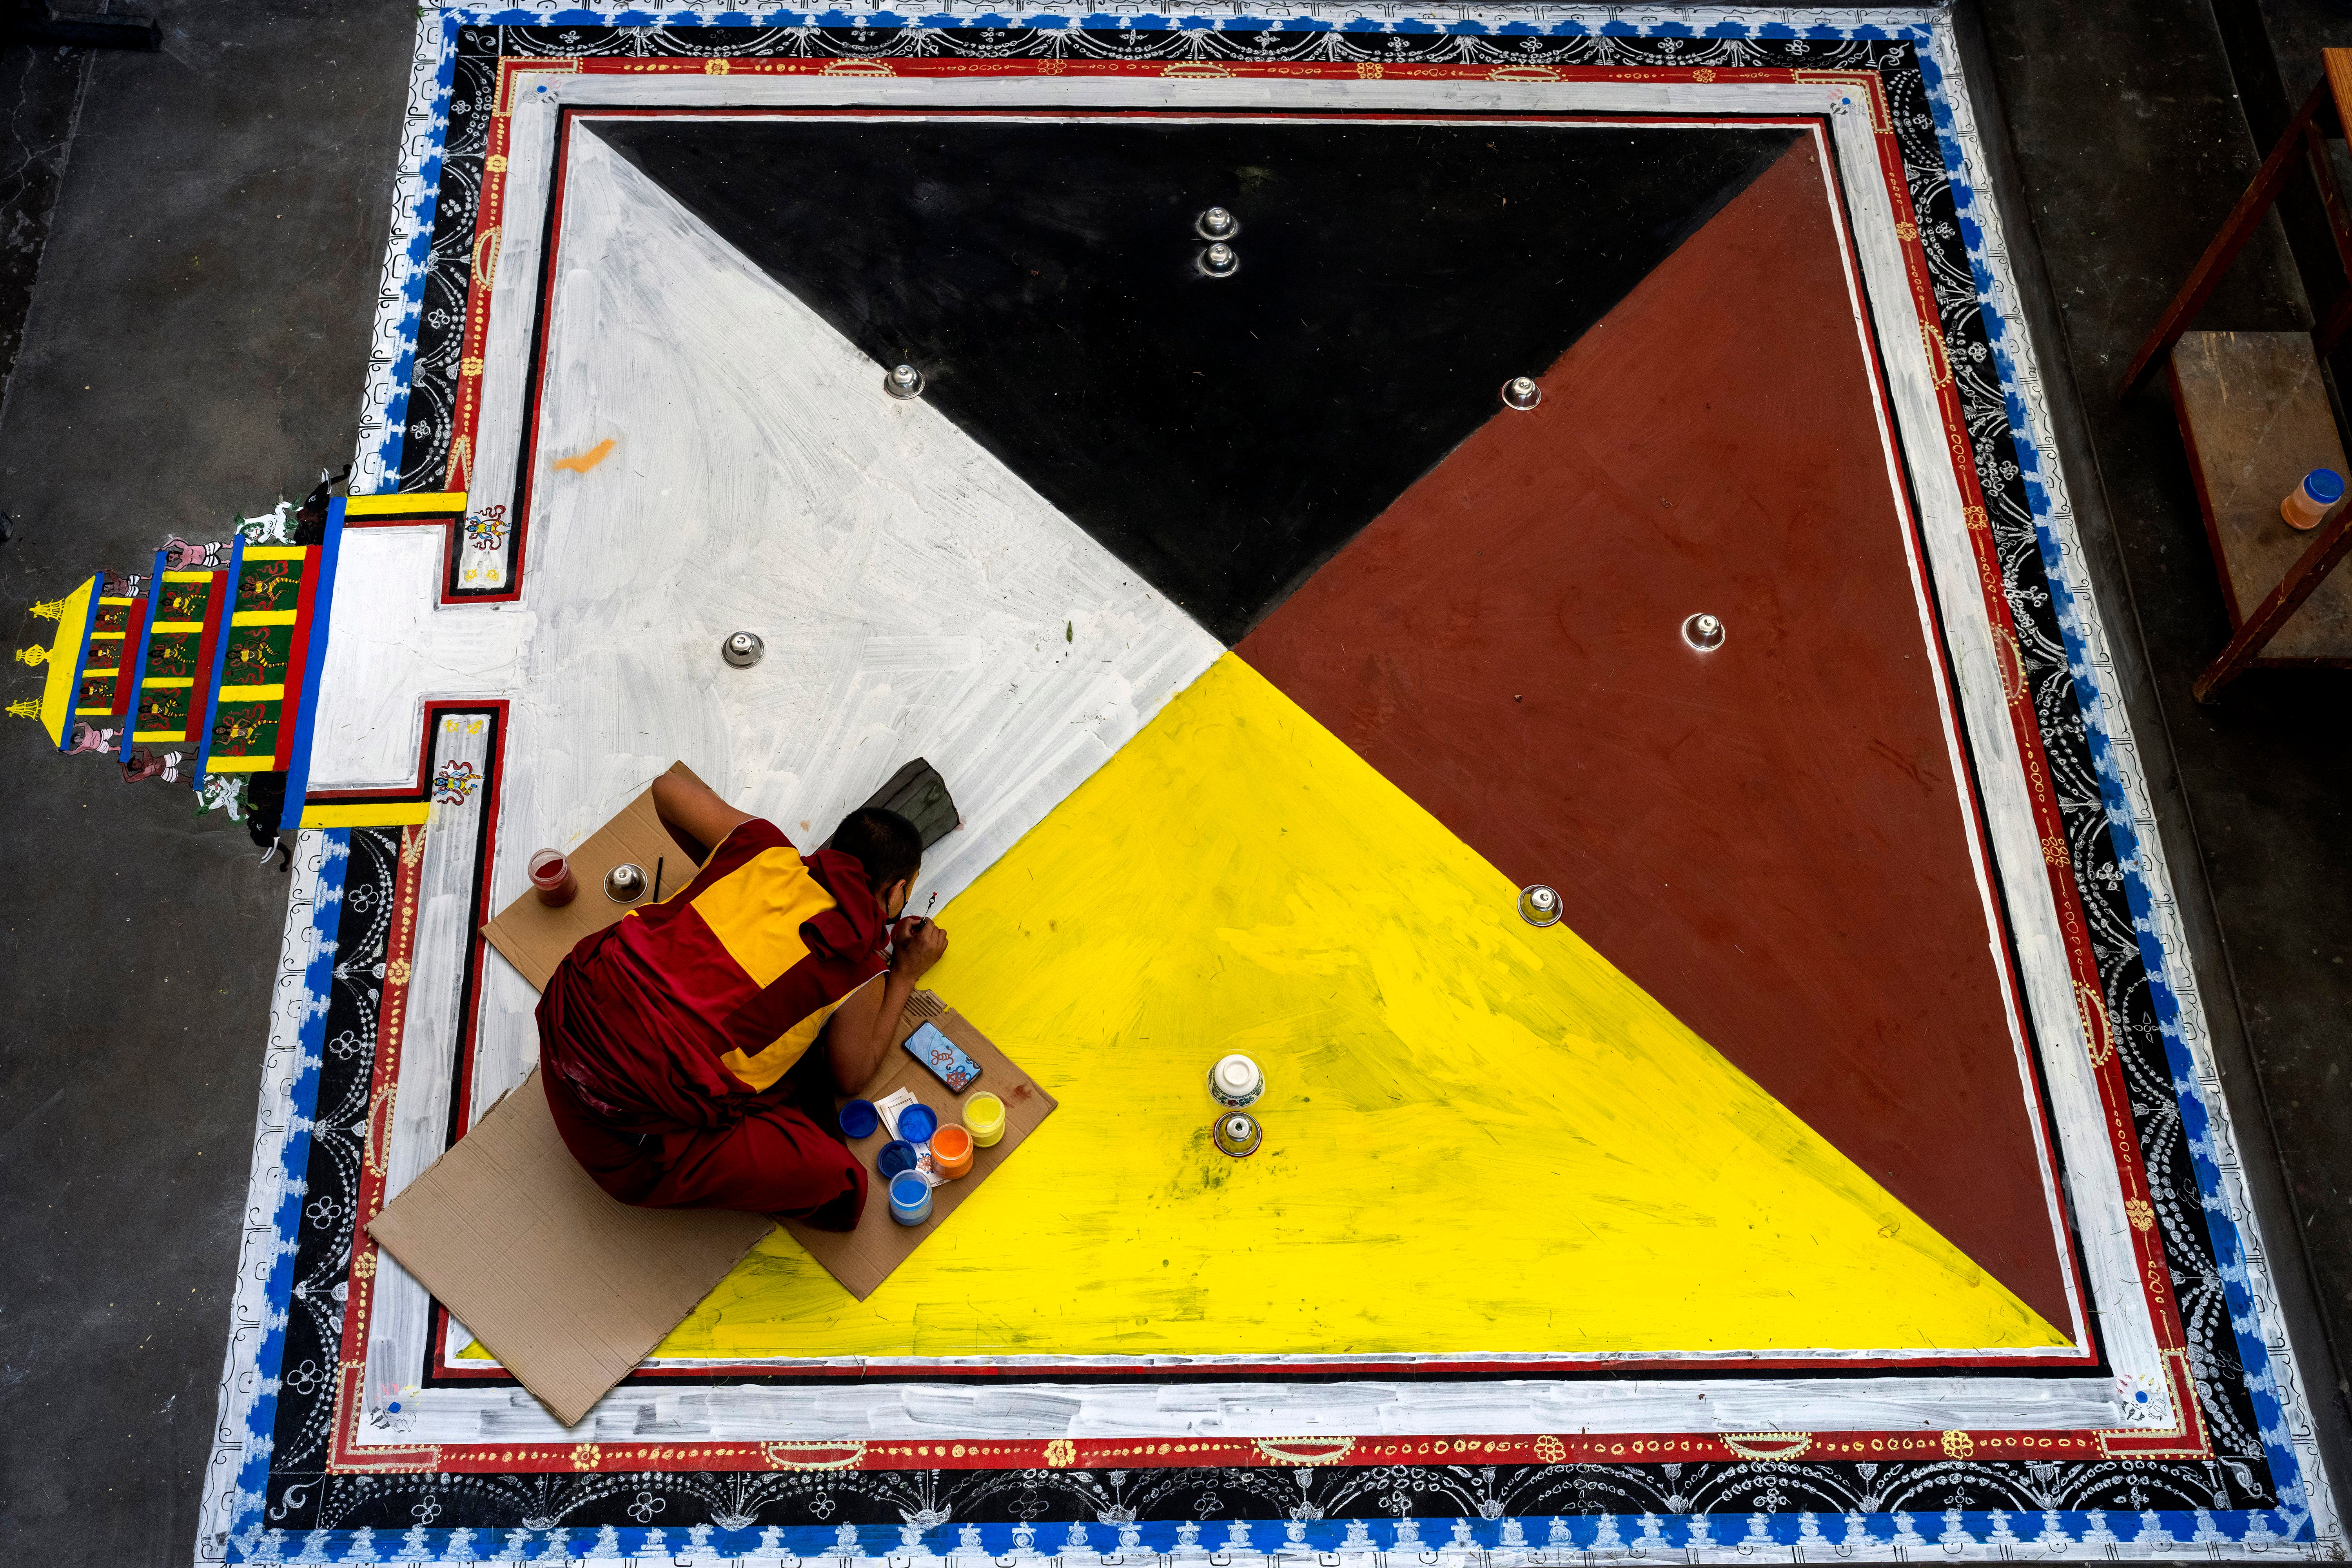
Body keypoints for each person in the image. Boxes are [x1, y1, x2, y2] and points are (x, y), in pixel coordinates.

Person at [536, 771, 949, 1229]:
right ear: (895, 892)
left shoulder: (761, 846)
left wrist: (719, 866)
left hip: (568, 1023)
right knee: (839, 1181)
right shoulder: (856, 964)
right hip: (618, 1128)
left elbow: (667, 790)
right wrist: (905, 974)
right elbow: (852, 1077)